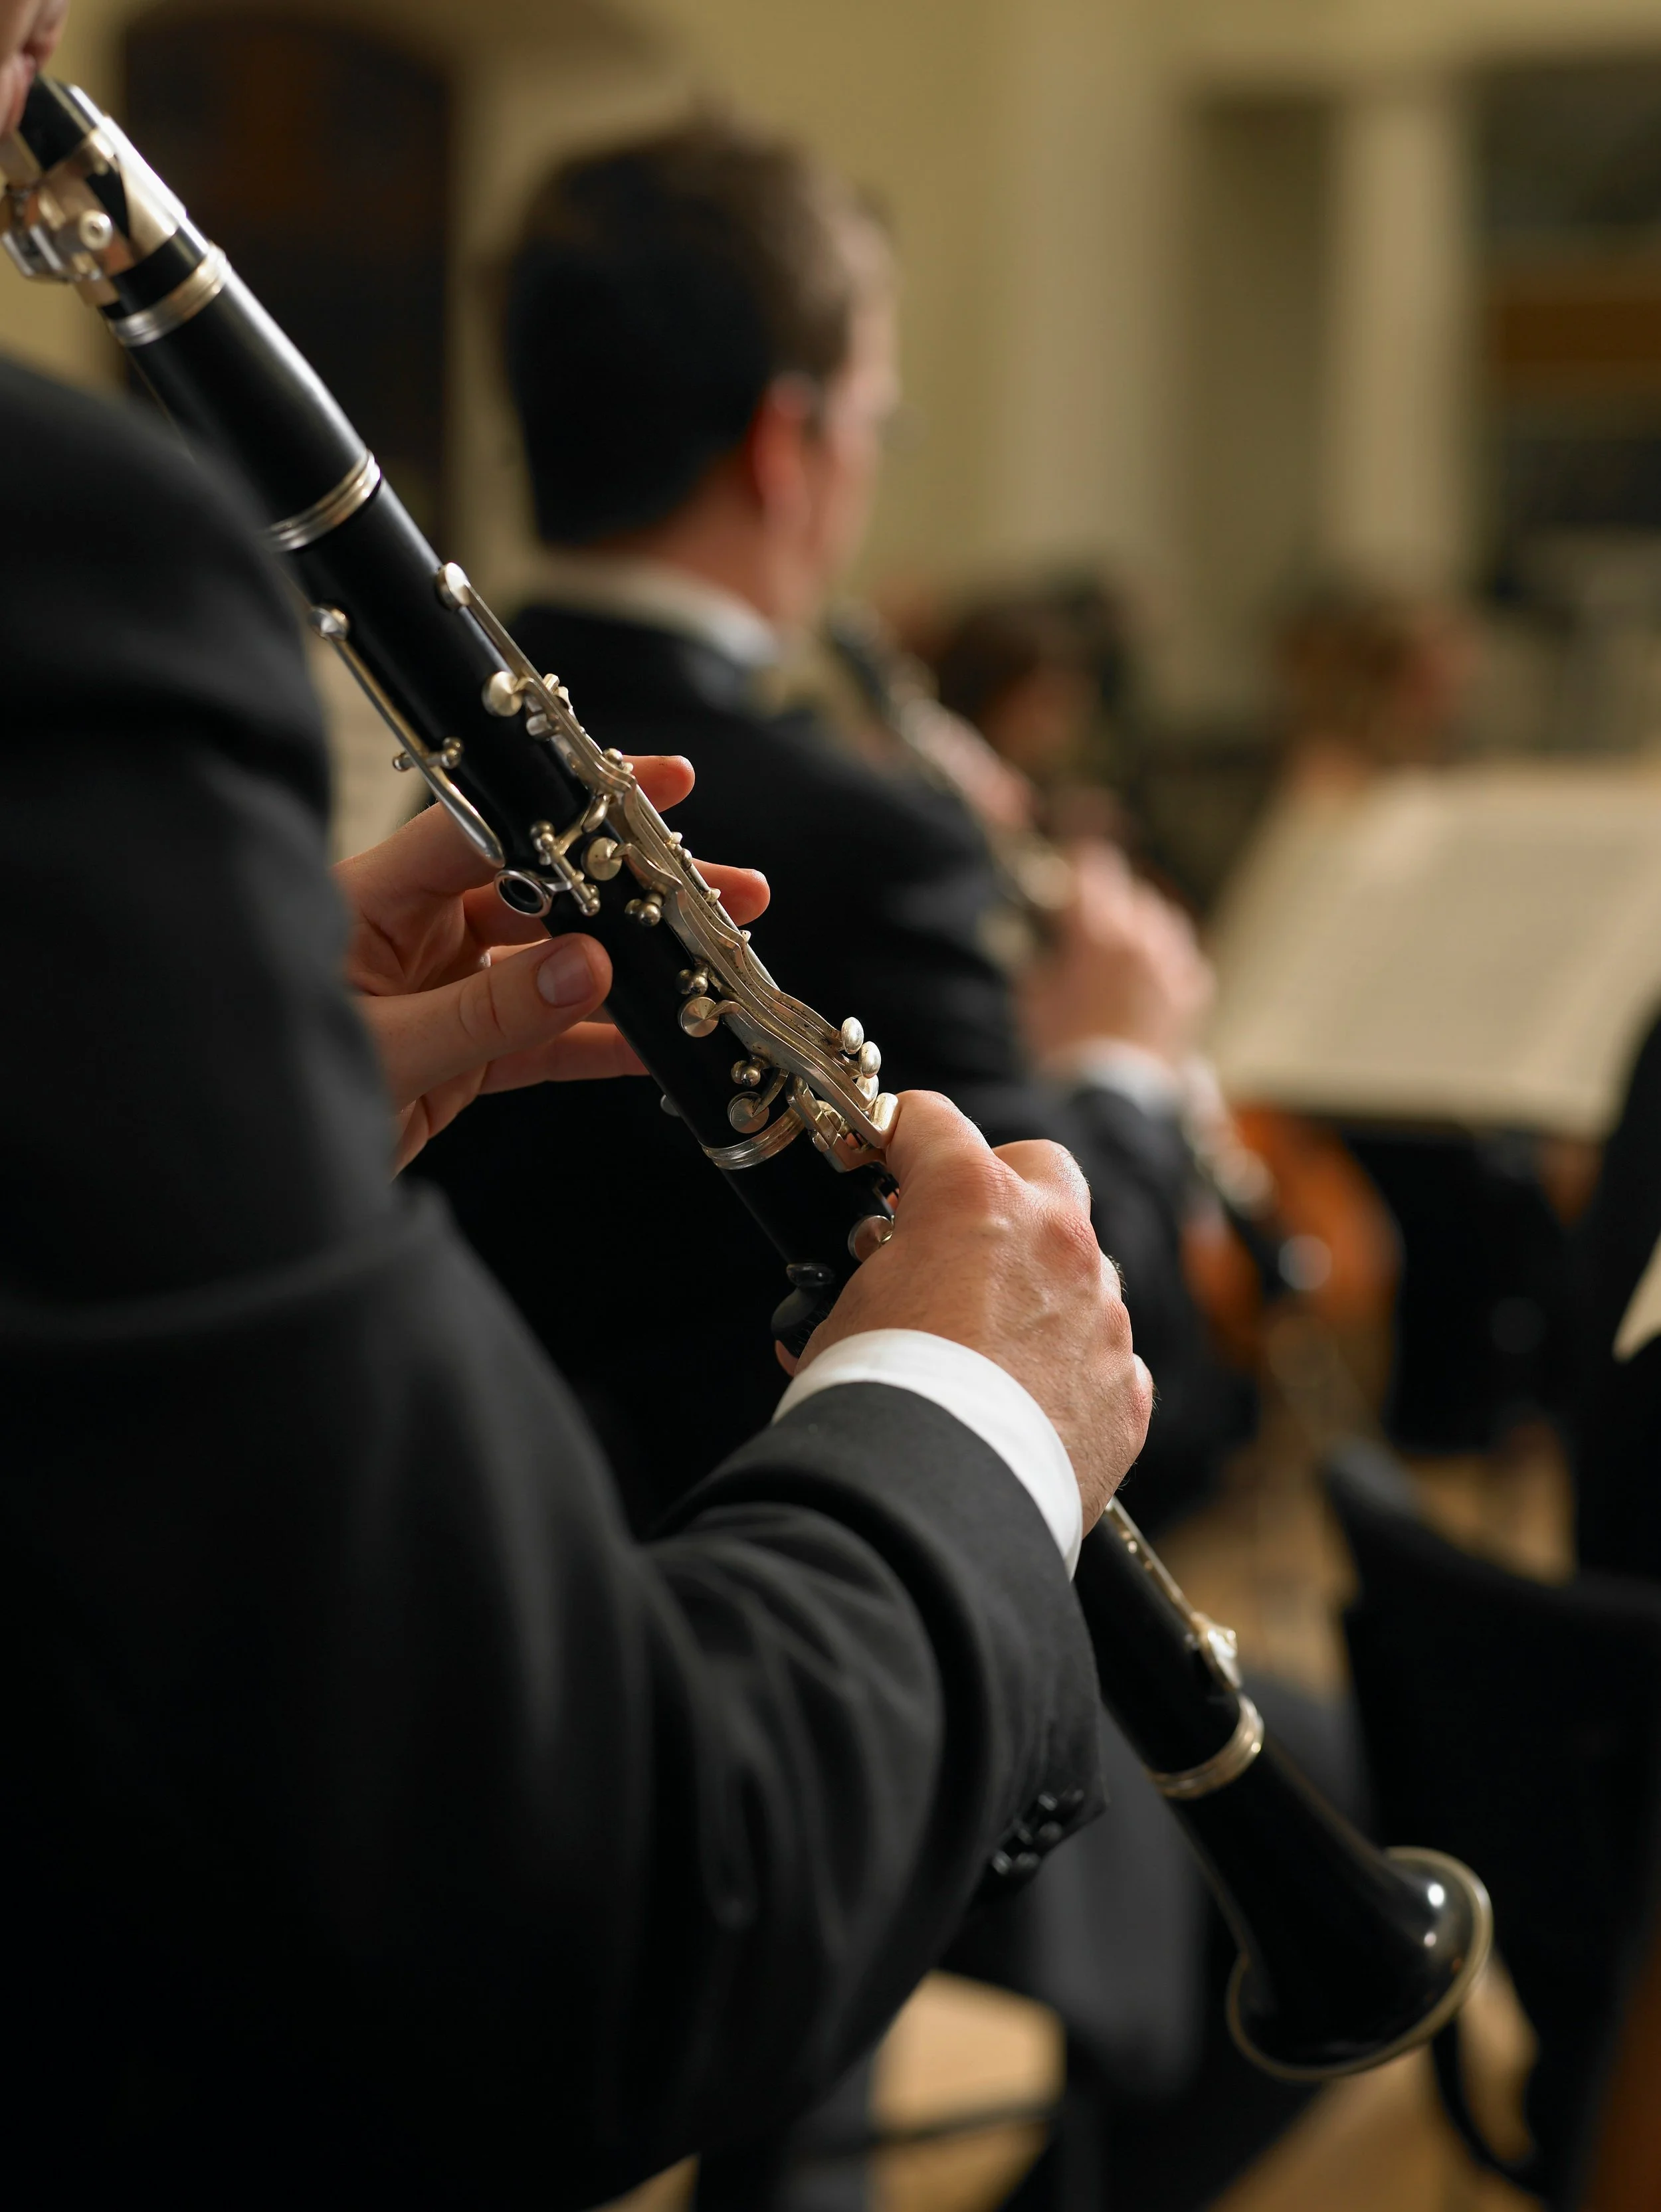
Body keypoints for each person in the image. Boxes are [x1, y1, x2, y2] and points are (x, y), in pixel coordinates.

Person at [0, 3, 1157, 2199]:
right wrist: (1040, 1257)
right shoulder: (81, 585)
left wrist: (226, 1109)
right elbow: (610, 1903)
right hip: (596, 1774)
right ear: (796, 447)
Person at [419, 120, 1235, 1541]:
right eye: (874, 423)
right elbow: (1092, 1366)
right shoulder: (870, 842)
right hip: (792, 1568)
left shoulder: (441, 756)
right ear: (784, 443)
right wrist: (1121, 1065)